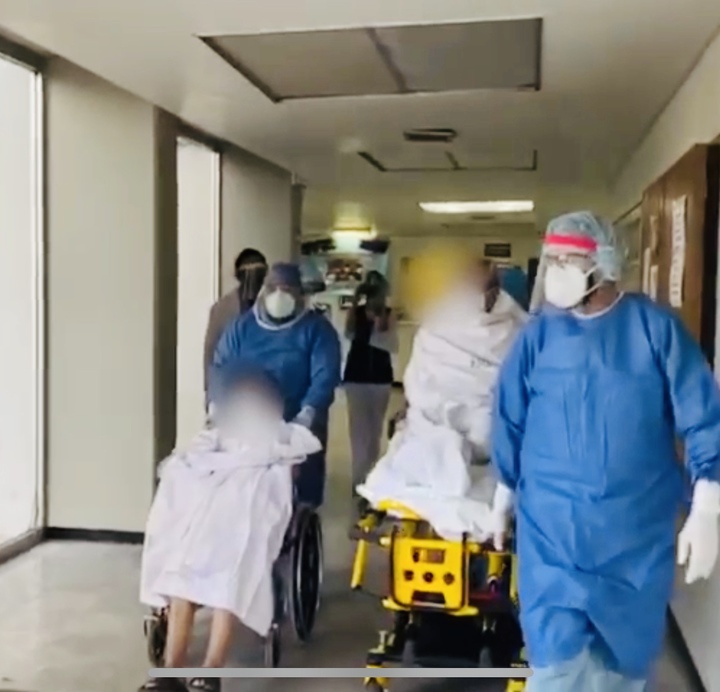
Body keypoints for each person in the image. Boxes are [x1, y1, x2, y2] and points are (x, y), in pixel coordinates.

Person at [490, 211, 720, 692]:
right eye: (552, 259)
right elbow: (510, 414)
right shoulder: (539, 336)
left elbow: (703, 415)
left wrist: (707, 506)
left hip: (632, 535)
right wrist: (503, 493)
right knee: (555, 663)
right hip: (551, 530)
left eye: (568, 260)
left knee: (620, 665)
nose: (556, 270)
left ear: (605, 262)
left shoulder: (655, 330)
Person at [138, 368, 321, 692]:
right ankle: (168, 674)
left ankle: (210, 671)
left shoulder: (281, 434)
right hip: (206, 522)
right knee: (180, 576)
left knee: (229, 582)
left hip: (244, 522)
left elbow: (291, 465)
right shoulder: (218, 435)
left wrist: (273, 463)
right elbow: (188, 460)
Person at [358, 257, 526, 540]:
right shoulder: (437, 325)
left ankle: (444, 472)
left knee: (480, 431)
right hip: (434, 421)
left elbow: (515, 391)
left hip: (484, 430)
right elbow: (421, 377)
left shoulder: (513, 328)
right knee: (428, 441)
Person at [210, 262, 342, 508]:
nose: (280, 295)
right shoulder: (241, 327)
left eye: (287, 289)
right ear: (264, 291)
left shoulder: (317, 330)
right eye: (274, 288)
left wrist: (308, 413)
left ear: (300, 293)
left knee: (296, 495)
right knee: (245, 493)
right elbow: (221, 368)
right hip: (248, 424)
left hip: (298, 424)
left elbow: (325, 375)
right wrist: (217, 403)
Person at [343, 271, 397, 493]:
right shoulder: (356, 313)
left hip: (380, 378)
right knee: (358, 430)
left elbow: (389, 341)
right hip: (356, 376)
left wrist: (380, 316)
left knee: (374, 430)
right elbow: (348, 333)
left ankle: (371, 475)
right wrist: (355, 301)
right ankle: (358, 476)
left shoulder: (389, 314)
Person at [202, 248, 268, 396]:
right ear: (238, 275)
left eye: (257, 272)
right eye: (247, 273)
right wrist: (211, 393)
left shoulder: (274, 304)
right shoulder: (222, 309)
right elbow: (211, 352)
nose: (252, 280)